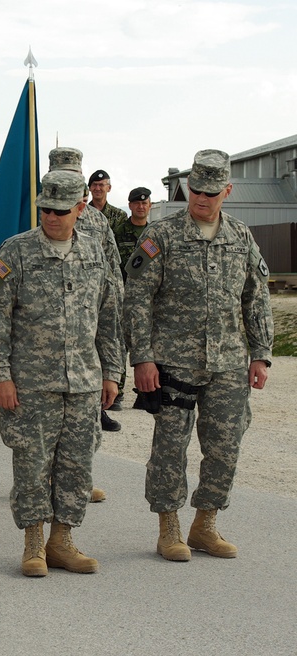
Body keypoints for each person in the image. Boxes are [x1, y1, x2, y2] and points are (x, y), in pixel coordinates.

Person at [124, 149, 273, 562]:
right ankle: (168, 527)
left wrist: (261, 353)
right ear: (187, 188)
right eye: (195, 191)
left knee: (226, 445)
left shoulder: (240, 236)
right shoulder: (161, 236)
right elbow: (136, 298)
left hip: (228, 361)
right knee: (170, 446)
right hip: (173, 362)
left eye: (210, 192)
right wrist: (143, 358)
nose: (201, 199)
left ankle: (205, 524)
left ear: (227, 190)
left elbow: (256, 298)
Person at [0, 170, 122, 577]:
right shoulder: (16, 251)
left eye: (61, 210)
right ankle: (33, 544)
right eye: (45, 209)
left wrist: (112, 372)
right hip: (31, 382)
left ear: (80, 208)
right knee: (32, 464)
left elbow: (108, 316)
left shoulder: (94, 252)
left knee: (77, 464)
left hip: (83, 380)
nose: (52, 217)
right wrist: (1, 376)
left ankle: (63, 541)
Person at [49, 148, 124, 440]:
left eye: (74, 175)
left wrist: (116, 307)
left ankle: (97, 410)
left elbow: (111, 271)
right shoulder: (34, 212)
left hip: (86, 320)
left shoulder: (96, 220)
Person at [113, 186, 152, 410]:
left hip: (147, 300)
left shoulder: (155, 233)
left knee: (145, 344)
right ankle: (117, 391)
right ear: (130, 205)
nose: (140, 206)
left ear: (150, 206)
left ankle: (144, 393)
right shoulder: (119, 232)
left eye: (144, 203)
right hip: (122, 296)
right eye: (136, 203)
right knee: (119, 344)